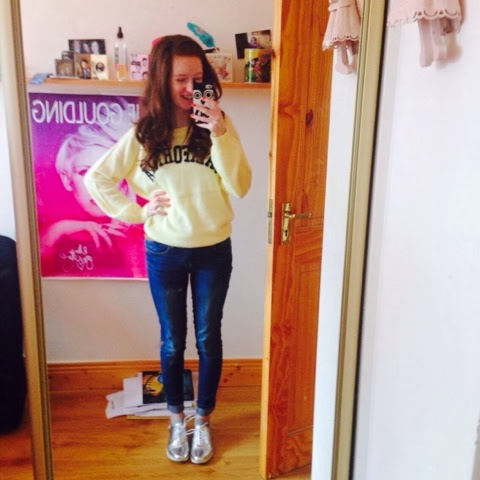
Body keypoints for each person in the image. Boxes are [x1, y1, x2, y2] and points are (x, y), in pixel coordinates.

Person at [84, 35, 251, 464]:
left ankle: (203, 420)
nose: (190, 87)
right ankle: (177, 419)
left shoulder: (218, 125)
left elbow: (240, 186)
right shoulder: (144, 134)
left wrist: (220, 132)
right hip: (164, 251)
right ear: (162, 79)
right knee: (173, 341)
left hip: (213, 249)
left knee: (208, 338)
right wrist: (136, 213)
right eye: (180, 79)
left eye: (197, 77)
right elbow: (97, 178)